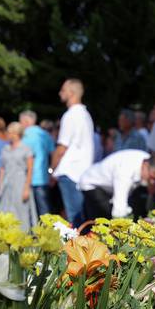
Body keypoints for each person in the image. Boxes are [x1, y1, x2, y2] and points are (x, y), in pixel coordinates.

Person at [51, 79, 94, 225]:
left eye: (63, 90)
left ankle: (76, 248)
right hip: (82, 172)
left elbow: (62, 148)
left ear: (71, 92)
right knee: (81, 218)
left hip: (70, 172)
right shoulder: (85, 115)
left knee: (75, 219)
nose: (60, 93)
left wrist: (51, 169)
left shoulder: (70, 115)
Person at [79, 151, 155, 220]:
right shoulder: (125, 172)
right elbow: (118, 210)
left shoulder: (148, 160)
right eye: (151, 178)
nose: (152, 182)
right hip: (92, 184)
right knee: (103, 218)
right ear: (145, 165)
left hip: (110, 186)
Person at [0, 122, 37, 230]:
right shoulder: (5, 148)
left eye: (12, 133)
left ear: (18, 134)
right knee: (5, 210)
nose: (10, 135)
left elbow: (30, 170)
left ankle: (23, 236)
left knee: (20, 210)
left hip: (20, 182)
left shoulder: (26, 149)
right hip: (7, 182)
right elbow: (2, 168)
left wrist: (26, 188)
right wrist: (0, 186)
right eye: (9, 132)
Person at [20, 110, 55, 216]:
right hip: (42, 177)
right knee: (44, 210)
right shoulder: (45, 134)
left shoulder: (22, 136)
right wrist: (51, 171)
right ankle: (48, 231)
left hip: (25, 178)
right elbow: (53, 154)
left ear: (26, 121)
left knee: (28, 211)